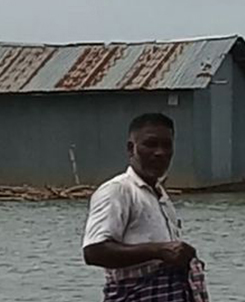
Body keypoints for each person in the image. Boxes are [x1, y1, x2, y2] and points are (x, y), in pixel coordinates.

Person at [82, 112, 208, 302]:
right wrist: (159, 251)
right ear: (131, 149)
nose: (160, 152)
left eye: (167, 145)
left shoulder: (160, 195)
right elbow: (93, 252)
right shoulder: (118, 190)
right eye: (151, 144)